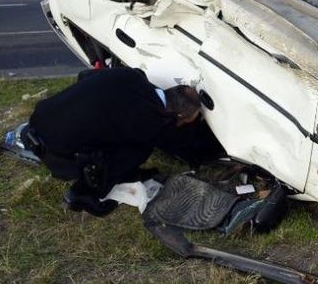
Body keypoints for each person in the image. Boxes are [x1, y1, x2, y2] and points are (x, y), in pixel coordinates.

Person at [20, 67, 202, 217]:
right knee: (138, 150)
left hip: (39, 119)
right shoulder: (148, 121)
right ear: (179, 115)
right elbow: (177, 143)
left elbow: (85, 75)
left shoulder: (132, 76)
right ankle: (83, 194)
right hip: (55, 152)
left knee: (109, 131)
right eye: (186, 120)